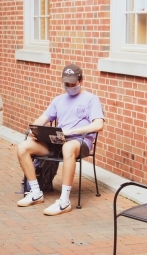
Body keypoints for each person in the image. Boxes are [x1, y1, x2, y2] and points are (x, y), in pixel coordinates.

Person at [16, 63, 105, 216]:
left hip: (79, 142)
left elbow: (99, 125)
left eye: (73, 83)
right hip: (57, 141)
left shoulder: (91, 99)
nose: (70, 86)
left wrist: (70, 131)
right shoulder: (58, 100)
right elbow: (43, 118)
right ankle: (36, 193)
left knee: (68, 147)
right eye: (67, 83)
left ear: (81, 80)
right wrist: (34, 129)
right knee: (23, 147)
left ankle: (64, 201)